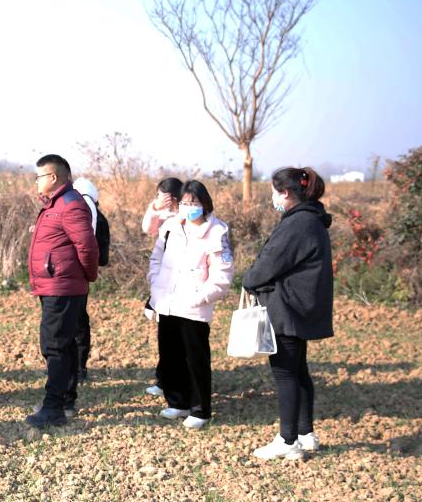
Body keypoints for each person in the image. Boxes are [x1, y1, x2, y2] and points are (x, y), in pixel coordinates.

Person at [243, 167, 333, 461]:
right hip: (302, 306)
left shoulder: (298, 224)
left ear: (286, 193)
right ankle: (305, 433)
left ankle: (287, 440)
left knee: (285, 373)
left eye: (274, 191)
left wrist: (248, 280)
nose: (272, 197)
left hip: (288, 308)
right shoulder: (312, 219)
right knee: (298, 371)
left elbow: (269, 264)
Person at [147, 180, 234, 429]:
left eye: (194, 202)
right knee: (170, 354)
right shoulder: (170, 227)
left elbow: (223, 272)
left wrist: (201, 296)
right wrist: (155, 282)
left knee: (195, 359)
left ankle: (200, 408)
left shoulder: (217, 231)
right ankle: (177, 401)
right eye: (184, 202)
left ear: (204, 204)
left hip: (194, 306)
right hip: (167, 301)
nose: (189, 207)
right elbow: (156, 258)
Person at [25, 154, 99, 427]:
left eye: (39, 177)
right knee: (63, 345)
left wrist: (86, 276)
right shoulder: (54, 204)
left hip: (62, 287)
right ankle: (65, 400)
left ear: (53, 177)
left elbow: (87, 246)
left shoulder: (70, 204)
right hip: (55, 284)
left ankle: (53, 407)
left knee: (55, 346)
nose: (36, 182)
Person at [66, 177, 111, 383]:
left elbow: (85, 244)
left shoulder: (81, 206)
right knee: (78, 320)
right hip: (80, 275)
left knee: (75, 322)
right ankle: (78, 366)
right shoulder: (94, 210)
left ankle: (77, 366)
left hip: (74, 274)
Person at [143, 176, 184, 397]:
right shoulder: (163, 215)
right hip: (162, 281)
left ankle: (175, 382)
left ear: (172, 197)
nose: (157, 198)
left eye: (160, 195)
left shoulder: (185, 218)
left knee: (177, 338)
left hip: (180, 285)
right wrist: (155, 208)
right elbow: (147, 229)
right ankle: (163, 380)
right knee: (165, 335)